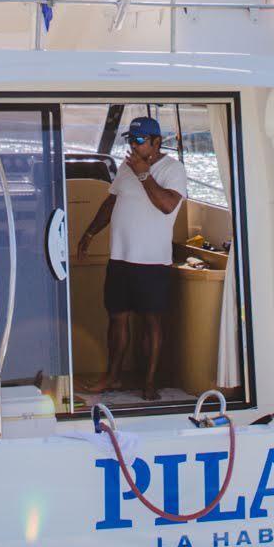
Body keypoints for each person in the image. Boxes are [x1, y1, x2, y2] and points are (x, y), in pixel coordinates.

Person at [79, 115, 187, 400]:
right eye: (131, 140)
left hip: (152, 262)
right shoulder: (127, 169)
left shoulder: (173, 170)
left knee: (152, 323)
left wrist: (143, 174)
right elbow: (111, 202)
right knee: (117, 320)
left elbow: (166, 205)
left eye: (139, 141)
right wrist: (88, 234)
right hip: (120, 259)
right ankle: (112, 376)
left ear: (156, 142)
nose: (134, 146)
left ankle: (149, 383)